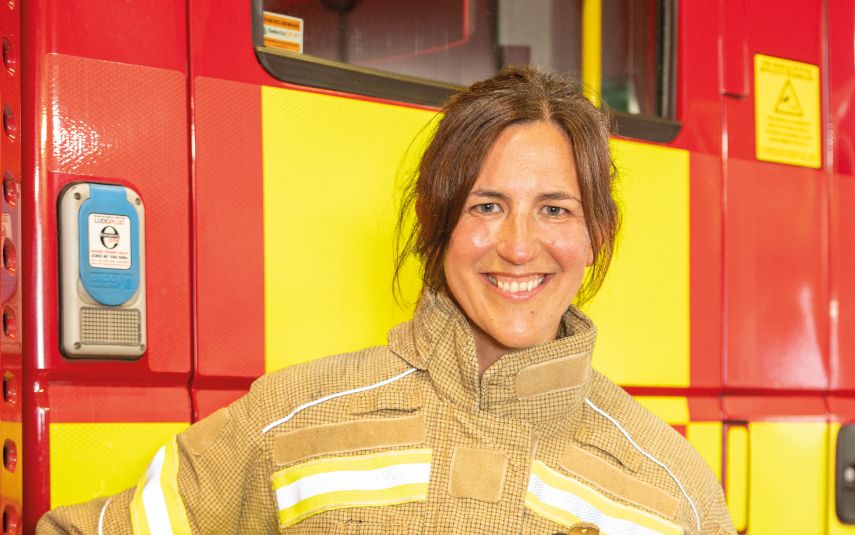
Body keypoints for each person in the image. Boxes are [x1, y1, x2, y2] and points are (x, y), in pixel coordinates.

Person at [38, 66, 735, 534]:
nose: (520, 247)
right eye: (486, 206)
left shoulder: (673, 489)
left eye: (555, 210)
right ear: (440, 225)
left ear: (596, 235)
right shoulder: (293, 421)